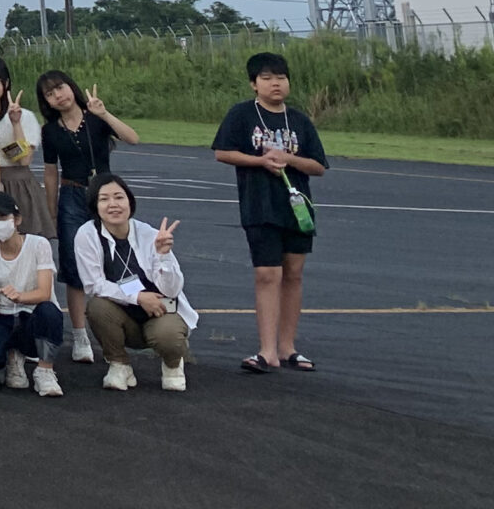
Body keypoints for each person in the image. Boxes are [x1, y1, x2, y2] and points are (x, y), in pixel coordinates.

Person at [210, 51, 325, 376]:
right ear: (253, 84)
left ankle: (288, 347)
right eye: (267, 78)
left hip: (297, 209)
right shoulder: (243, 115)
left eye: (280, 77)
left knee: (294, 274)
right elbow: (222, 152)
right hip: (260, 206)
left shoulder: (300, 121)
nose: (275, 84)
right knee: (267, 275)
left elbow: (318, 166)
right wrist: (261, 160)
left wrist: (288, 159)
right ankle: (267, 350)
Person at [38, 68, 139, 363]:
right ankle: (80, 335)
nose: (58, 95)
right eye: (50, 93)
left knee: (119, 257)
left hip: (105, 194)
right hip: (71, 196)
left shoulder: (96, 118)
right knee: (73, 265)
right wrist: (52, 209)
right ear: (46, 101)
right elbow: (50, 172)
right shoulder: (50, 131)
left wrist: (104, 114)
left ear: (72, 87)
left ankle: (126, 326)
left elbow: (132, 138)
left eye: (61, 87)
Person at [75, 173, 193, 391]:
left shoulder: (150, 234)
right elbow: (93, 285)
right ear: (95, 205)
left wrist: (164, 255)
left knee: (168, 337)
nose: (113, 205)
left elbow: (173, 289)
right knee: (97, 306)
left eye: (119, 197)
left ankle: (173, 362)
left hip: (160, 311)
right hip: (124, 314)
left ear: (130, 202)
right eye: (104, 199)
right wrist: (137, 297)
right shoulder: (87, 235)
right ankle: (119, 364)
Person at [0, 189, 66, 397]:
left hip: (32, 314)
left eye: (2, 217)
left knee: (49, 312)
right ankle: (12, 358)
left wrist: (20, 296)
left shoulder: (39, 245)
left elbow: (44, 292)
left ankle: (45, 370)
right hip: (5, 317)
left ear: (17, 219)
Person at [0, 54, 48, 241]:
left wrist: (15, 124)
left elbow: (23, 160)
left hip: (18, 184)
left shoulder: (24, 116)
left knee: (25, 245)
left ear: (6, 84)